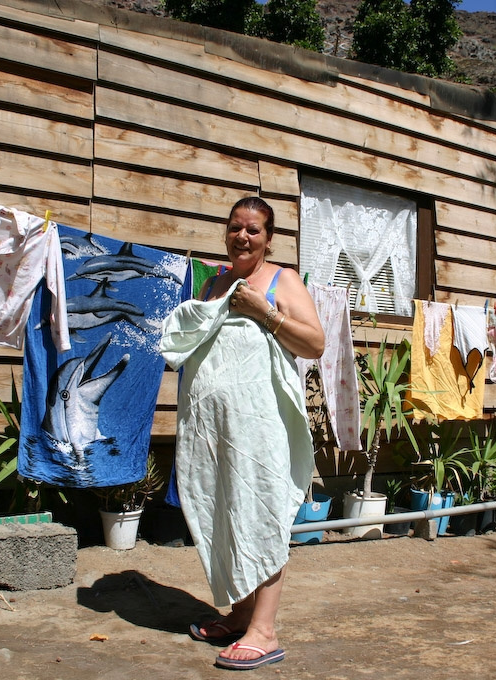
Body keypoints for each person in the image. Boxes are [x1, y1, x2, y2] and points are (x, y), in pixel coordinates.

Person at [160, 196, 325, 671]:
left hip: (259, 427)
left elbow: (314, 343)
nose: (243, 236)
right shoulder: (212, 283)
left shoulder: (282, 280)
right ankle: (240, 614)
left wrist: (263, 311)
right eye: (236, 227)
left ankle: (264, 631)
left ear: (268, 239)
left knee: (260, 511)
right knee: (225, 510)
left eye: (254, 230)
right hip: (213, 428)